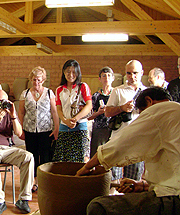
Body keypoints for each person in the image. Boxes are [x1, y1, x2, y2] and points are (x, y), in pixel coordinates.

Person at [75, 87, 180, 215]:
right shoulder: (175, 112)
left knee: (98, 206)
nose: (143, 117)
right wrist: (143, 186)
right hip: (173, 192)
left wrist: (87, 167)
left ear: (149, 101)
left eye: (142, 113)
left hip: (174, 198)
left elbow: (120, 145)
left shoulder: (160, 110)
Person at [0, 89, 34, 215]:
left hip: (7, 148)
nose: (1, 105)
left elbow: (20, 135)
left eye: (3, 102)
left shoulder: (10, 113)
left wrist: (13, 116)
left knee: (28, 157)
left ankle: (24, 199)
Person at [18, 66, 59, 193]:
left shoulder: (49, 93)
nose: (37, 82)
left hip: (46, 129)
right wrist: (20, 129)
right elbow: (21, 112)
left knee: (45, 156)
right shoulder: (25, 93)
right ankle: (34, 182)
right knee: (32, 156)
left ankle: (45, 181)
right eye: (34, 80)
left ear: (43, 80)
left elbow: (54, 111)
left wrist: (56, 128)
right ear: (31, 79)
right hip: (29, 130)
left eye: (39, 80)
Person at [105, 60, 146, 181]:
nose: (132, 76)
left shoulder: (147, 92)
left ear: (142, 73)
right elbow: (107, 112)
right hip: (119, 139)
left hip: (138, 141)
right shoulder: (118, 91)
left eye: (135, 73)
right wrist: (122, 108)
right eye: (128, 73)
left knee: (134, 180)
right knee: (114, 179)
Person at [52, 59, 92, 163]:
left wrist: (75, 119)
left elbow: (89, 105)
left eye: (74, 72)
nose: (71, 74)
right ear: (64, 72)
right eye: (68, 71)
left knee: (81, 159)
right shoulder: (59, 89)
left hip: (80, 127)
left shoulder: (83, 86)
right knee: (63, 159)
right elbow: (58, 108)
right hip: (64, 127)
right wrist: (65, 121)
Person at [88, 67, 115, 158]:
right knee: (97, 156)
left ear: (113, 78)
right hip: (99, 129)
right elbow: (89, 116)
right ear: (99, 79)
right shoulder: (96, 96)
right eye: (103, 76)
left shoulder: (117, 93)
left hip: (115, 128)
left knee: (113, 155)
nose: (106, 78)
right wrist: (99, 112)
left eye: (109, 75)